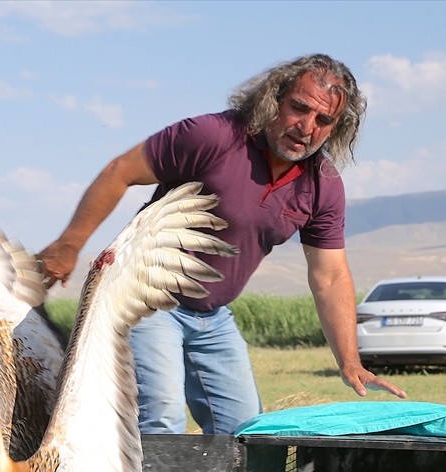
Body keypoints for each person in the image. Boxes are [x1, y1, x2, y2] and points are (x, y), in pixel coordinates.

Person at [38, 53, 407, 435]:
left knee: (247, 433)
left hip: (213, 319)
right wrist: (69, 245)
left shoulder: (322, 186)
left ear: (335, 129)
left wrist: (349, 361)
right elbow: (120, 172)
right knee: (160, 418)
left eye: (323, 120)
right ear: (274, 98)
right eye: (299, 108)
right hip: (144, 298)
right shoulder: (214, 137)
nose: (306, 126)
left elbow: (329, 276)